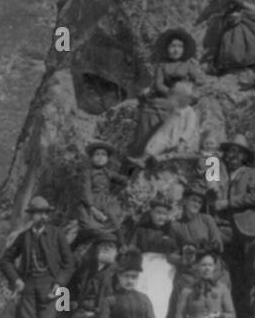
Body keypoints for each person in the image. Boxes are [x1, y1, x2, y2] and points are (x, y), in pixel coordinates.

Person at [0, 196, 75, 318]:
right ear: (31, 216)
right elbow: (5, 260)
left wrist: (59, 284)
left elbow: (69, 264)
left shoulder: (57, 234)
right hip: (29, 286)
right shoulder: (23, 237)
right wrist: (16, 279)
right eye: (37, 213)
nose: (41, 216)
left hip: (54, 287)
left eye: (44, 213)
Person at [214, 133, 255, 318]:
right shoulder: (219, 170)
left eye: (237, 152)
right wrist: (212, 158)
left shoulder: (252, 173)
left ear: (245, 156)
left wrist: (228, 203)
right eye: (229, 151)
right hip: (229, 234)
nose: (232, 155)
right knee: (231, 281)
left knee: (249, 283)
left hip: (251, 232)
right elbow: (211, 189)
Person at [131, 27, 203, 162]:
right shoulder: (162, 65)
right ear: (167, 48)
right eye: (173, 46)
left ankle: (170, 145)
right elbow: (158, 84)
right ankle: (144, 147)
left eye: (179, 46)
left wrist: (190, 88)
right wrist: (170, 92)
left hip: (183, 97)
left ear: (184, 49)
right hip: (167, 95)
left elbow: (200, 80)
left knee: (182, 112)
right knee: (149, 110)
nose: (176, 50)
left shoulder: (187, 65)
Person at [74, 141, 128, 246]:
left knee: (115, 221)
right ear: (91, 158)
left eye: (103, 155)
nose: (100, 157)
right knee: (88, 230)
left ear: (107, 159)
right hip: (91, 204)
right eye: (97, 154)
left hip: (106, 203)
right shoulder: (87, 173)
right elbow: (86, 191)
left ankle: (122, 246)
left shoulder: (108, 172)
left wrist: (130, 172)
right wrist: (93, 209)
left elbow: (123, 180)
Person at [139, 80, 200, 162]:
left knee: (158, 145)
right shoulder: (175, 108)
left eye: (182, 97)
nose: (179, 99)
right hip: (164, 132)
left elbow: (190, 128)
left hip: (174, 136)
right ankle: (143, 158)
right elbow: (168, 117)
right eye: (178, 97)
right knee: (152, 142)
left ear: (189, 99)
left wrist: (182, 140)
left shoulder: (190, 112)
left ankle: (144, 160)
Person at [169, 184, 224, 257]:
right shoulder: (175, 225)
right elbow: (172, 253)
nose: (196, 204)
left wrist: (201, 251)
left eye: (200, 202)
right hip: (188, 264)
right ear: (185, 201)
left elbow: (218, 245)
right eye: (194, 200)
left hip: (209, 262)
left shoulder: (206, 219)